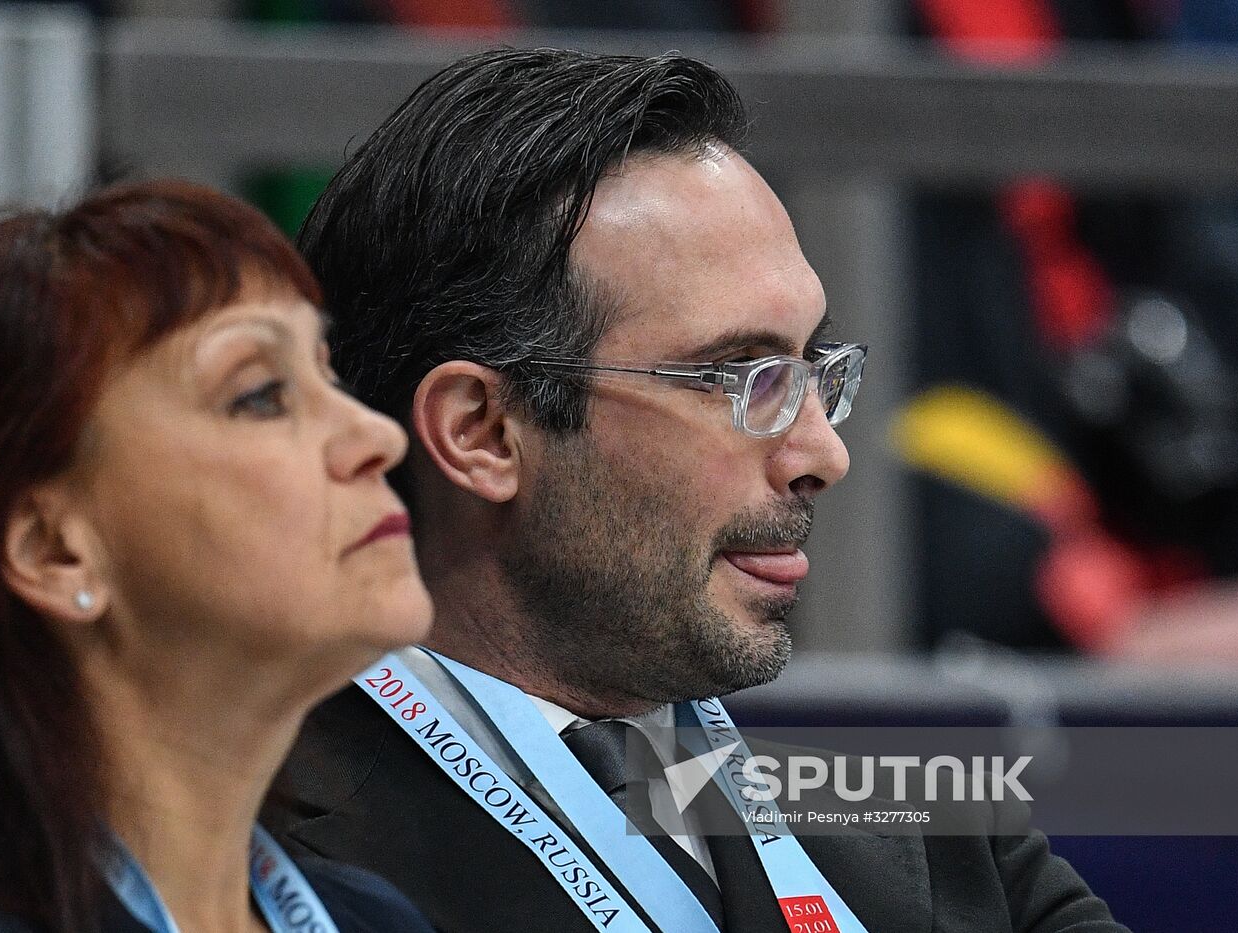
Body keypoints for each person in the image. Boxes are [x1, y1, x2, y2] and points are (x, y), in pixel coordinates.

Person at [277, 50, 1127, 932]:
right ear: (481, 432)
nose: (823, 452)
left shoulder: (944, 837)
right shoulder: (254, 871)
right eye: (741, 377)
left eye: (812, 370)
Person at [0, 181, 437, 933]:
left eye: (328, 376)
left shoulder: (377, 919)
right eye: (262, 394)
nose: (379, 437)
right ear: (54, 551)